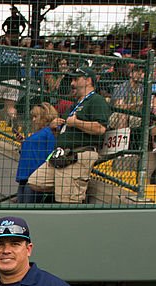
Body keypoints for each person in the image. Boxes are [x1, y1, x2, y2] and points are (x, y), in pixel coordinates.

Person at [27, 67, 111, 204]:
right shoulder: (76, 104)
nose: (72, 83)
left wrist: (76, 122)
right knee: (36, 181)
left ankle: (73, 195)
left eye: (76, 79)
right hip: (62, 155)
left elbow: (100, 128)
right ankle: (69, 189)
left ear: (88, 81)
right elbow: (66, 126)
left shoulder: (96, 100)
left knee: (67, 201)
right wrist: (55, 126)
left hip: (77, 154)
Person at [16, 103, 58, 203]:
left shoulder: (49, 132)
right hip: (25, 176)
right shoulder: (37, 133)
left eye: (36, 117)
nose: (33, 120)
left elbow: (50, 154)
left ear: (45, 118)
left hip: (35, 177)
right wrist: (24, 143)